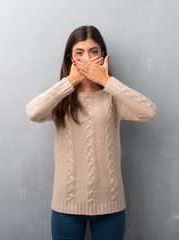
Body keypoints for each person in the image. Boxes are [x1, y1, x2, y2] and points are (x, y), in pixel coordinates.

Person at [26, 25, 157, 240]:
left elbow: (149, 112)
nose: (86, 58)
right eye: (79, 53)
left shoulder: (113, 97)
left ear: (103, 56)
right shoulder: (61, 97)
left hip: (110, 205)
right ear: (71, 58)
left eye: (93, 51)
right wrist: (71, 80)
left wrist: (105, 80)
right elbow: (33, 112)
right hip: (66, 205)